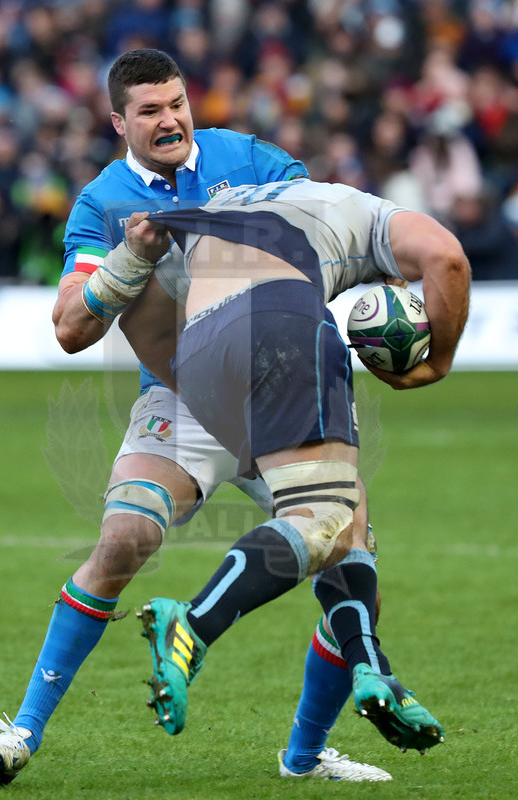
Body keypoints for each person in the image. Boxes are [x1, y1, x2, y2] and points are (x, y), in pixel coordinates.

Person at [0, 48, 389, 786]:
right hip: (182, 398)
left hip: (277, 392)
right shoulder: (103, 204)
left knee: (349, 556)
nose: (169, 120)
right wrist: (131, 260)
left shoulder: (247, 158)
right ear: (118, 122)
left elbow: (323, 230)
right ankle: (21, 732)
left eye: (176, 104)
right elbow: (69, 328)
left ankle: (305, 756)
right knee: (123, 537)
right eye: (149, 111)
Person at [125, 177, 470, 761]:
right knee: (324, 518)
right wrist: (436, 362)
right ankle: (194, 624)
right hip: (283, 318)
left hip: (199, 354)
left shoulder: (208, 213)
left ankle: (371, 668)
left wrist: (208, 392)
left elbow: (143, 322)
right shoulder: (367, 212)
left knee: (346, 509)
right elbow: (448, 259)